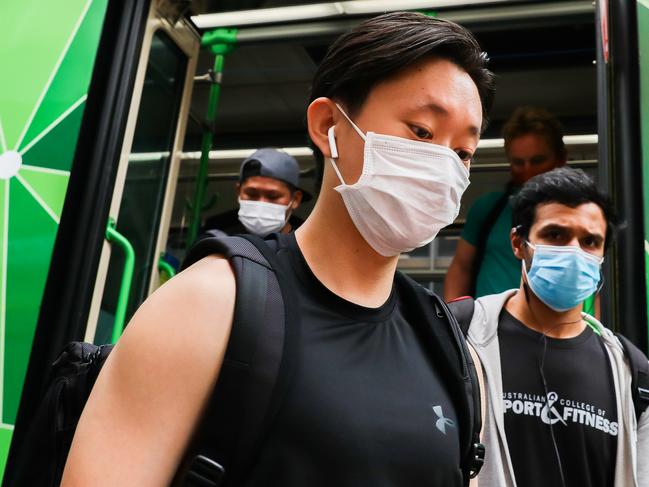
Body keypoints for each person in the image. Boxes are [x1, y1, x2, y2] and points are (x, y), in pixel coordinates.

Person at [61, 12, 495, 486]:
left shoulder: (455, 354)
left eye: (463, 153)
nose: (444, 168)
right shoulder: (210, 306)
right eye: (422, 132)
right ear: (329, 124)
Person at [465, 168, 649, 487]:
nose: (573, 252)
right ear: (518, 244)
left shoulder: (634, 376)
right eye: (555, 235)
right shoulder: (462, 339)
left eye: (590, 241)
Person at [444, 107, 566, 301]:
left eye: (538, 161)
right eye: (519, 162)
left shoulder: (580, 214)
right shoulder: (488, 209)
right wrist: (452, 323)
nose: (528, 171)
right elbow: (461, 268)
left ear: (560, 158)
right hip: (487, 327)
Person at [203, 147, 309, 237]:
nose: (261, 203)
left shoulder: (307, 246)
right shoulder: (216, 240)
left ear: (295, 199)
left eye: (273, 196)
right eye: (251, 194)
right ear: (239, 192)